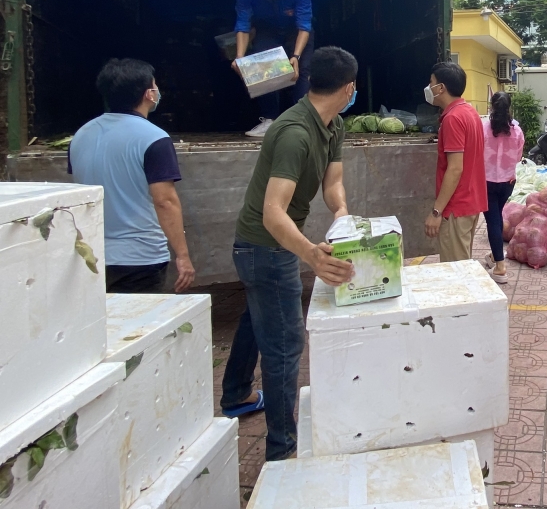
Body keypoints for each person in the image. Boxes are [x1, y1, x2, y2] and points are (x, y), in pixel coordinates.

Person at [220, 46, 358, 461]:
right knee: (284, 345)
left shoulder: (332, 126)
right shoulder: (295, 133)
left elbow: (333, 183)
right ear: (350, 87)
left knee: (257, 318)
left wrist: (342, 214)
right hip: (264, 246)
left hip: (268, 246)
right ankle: (281, 450)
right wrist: (312, 256)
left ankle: (235, 395)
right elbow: (273, 213)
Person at [69, 58, 195, 294]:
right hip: (140, 258)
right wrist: (183, 255)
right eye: (155, 86)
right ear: (149, 94)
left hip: (93, 253)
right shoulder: (154, 138)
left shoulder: (81, 135)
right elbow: (165, 201)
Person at [232, 0, 314, 138]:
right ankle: (270, 119)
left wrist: (296, 56)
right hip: (266, 28)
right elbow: (243, 25)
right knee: (262, 66)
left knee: (303, 69)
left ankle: (300, 120)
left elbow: (304, 25)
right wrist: (239, 57)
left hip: (296, 30)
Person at [423, 62, 487, 262]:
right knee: (464, 266)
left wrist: (436, 212)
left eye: (431, 82)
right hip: (471, 202)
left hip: (456, 207)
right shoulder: (469, 112)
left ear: (441, 88)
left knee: (456, 272)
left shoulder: (453, 119)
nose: (428, 87)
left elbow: (455, 169)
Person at [480, 92, 524, 284]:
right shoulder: (517, 131)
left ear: (491, 106)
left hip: (487, 181)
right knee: (496, 218)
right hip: (507, 182)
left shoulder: (483, 127)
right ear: (509, 107)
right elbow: (517, 157)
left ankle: (500, 267)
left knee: (493, 222)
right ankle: (494, 256)